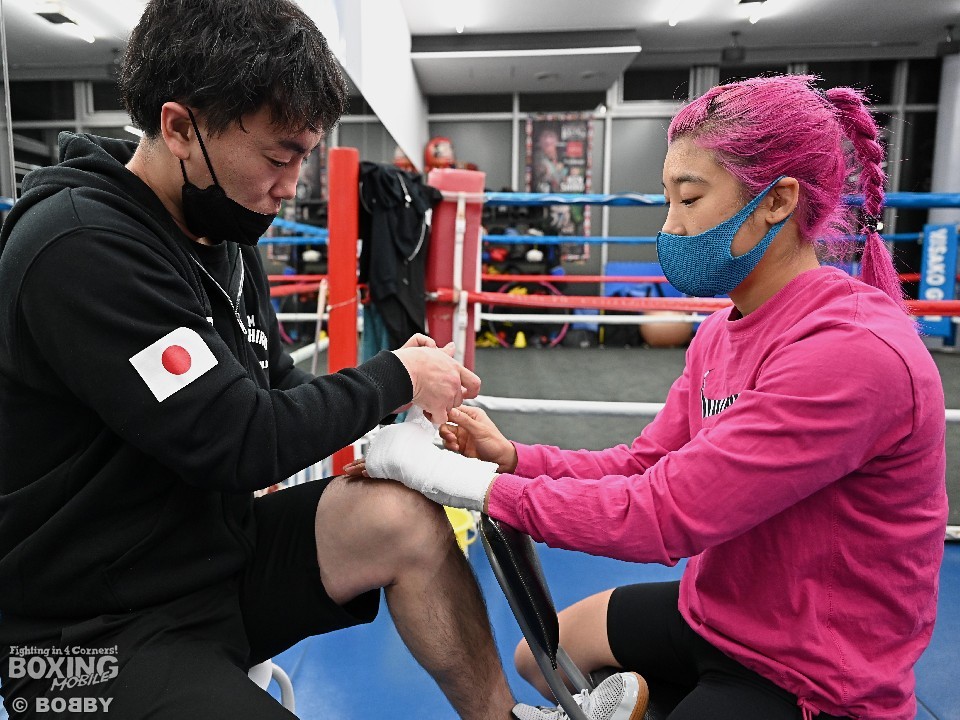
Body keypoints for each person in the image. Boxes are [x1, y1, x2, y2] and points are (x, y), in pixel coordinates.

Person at [0, 1, 643, 719]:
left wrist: (389, 429)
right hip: (82, 632)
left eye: (305, 155)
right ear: (179, 127)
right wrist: (395, 375)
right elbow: (239, 439)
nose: (291, 184)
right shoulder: (79, 247)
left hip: (209, 560)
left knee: (400, 516)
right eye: (279, 157)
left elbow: (276, 385)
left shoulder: (221, 234)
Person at [350, 75, 948, 720]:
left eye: (690, 198)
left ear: (777, 201)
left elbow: (660, 514)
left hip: (813, 674)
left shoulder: (850, 353)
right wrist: (514, 458)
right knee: (540, 655)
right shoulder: (721, 332)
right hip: (720, 616)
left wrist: (448, 478)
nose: (671, 226)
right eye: (667, 199)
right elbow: (646, 464)